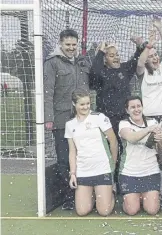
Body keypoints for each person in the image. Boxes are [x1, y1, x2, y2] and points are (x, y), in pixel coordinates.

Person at [90, 37, 148, 188]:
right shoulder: (100, 73)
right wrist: (101, 52)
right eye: (111, 55)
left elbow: (135, 59)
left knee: (124, 150)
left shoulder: (124, 69)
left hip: (123, 120)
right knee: (108, 150)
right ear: (104, 59)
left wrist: (139, 47)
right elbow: (94, 72)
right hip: (107, 120)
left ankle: (122, 181)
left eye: (117, 54)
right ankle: (108, 182)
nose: (116, 57)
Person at [43, 29, 91, 210]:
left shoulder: (83, 62)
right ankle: (69, 196)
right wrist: (49, 118)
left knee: (84, 156)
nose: (71, 48)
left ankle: (86, 193)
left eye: (74, 45)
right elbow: (47, 92)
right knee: (64, 159)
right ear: (60, 44)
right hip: (62, 119)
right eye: (67, 45)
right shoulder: (52, 63)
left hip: (83, 119)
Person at [65, 89, 118, 216]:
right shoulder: (69, 124)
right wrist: (73, 173)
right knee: (82, 211)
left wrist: (113, 164)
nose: (86, 107)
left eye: (88, 103)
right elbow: (72, 151)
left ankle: (111, 192)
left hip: (102, 168)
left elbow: (113, 141)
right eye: (82, 104)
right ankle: (94, 195)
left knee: (104, 211)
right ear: (74, 104)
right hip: (83, 170)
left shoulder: (99, 118)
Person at [118, 96, 162, 215]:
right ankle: (132, 198)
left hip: (150, 171)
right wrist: (149, 129)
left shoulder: (152, 122)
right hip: (130, 172)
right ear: (127, 110)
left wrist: (161, 139)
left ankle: (143, 196)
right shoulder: (124, 124)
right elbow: (132, 138)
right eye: (132, 107)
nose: (136, 109)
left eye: (139, 106)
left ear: (142, 107)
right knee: (132, 210)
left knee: (152, 210)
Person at [137, 19, 162, 121]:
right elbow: (140, 63)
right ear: (146, 60)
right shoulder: (143, 72)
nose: (155, 58)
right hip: (148, 115)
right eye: (151, 56)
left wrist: (160, 28)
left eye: (156, 55)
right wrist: (149, 45)